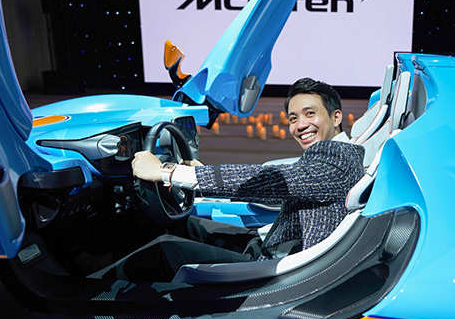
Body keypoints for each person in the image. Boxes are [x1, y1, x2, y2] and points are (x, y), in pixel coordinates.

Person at [121, 78, 365, 281]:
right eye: (293, 118)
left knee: (163, 251)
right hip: (272, 244)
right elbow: (282, 186)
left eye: (310, 114)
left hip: (281, 269)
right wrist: (201, 173)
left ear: (336, 117)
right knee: (184, 224)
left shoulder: (336, 158)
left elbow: (270, 180)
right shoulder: (337, 156)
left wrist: (167, 172)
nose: (300, 125)